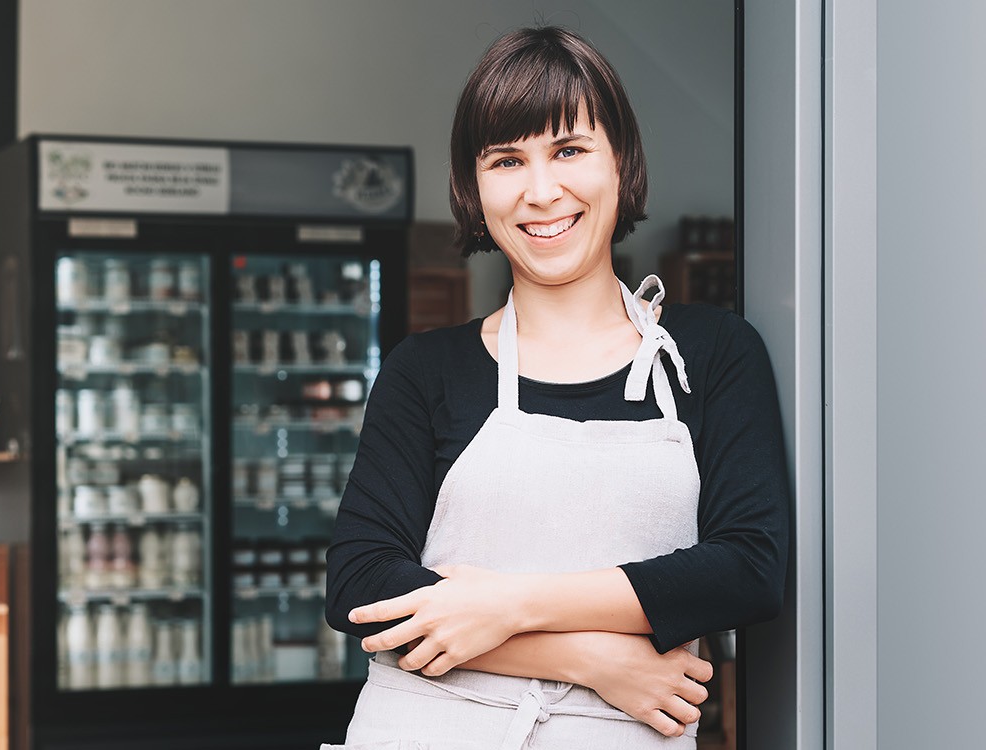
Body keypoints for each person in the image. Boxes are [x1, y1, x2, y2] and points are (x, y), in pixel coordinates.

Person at [323, 26, 789, 749]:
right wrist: (590, 658)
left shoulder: (712, 354)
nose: (542, 192)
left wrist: (507, 604)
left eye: (569, 150)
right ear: (474, 191)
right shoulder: (427, 370)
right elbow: (362, 585)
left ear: (622, 162)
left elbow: (746, 569)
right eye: (508, 160)